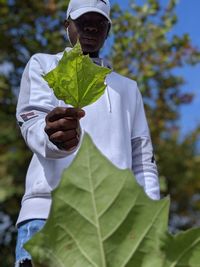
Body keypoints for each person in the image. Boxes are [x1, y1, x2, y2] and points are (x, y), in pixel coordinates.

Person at [15, 0, 160, 266]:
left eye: (99, 24)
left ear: (108, 30)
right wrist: (54, 138)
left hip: (114, 224)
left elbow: (142, 160)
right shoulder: (44, 65)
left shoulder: (127, 88)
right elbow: (31, 122)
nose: (91, 30)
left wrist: (150, 221)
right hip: (48, 213)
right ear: (67, 24)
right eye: (84, 23)